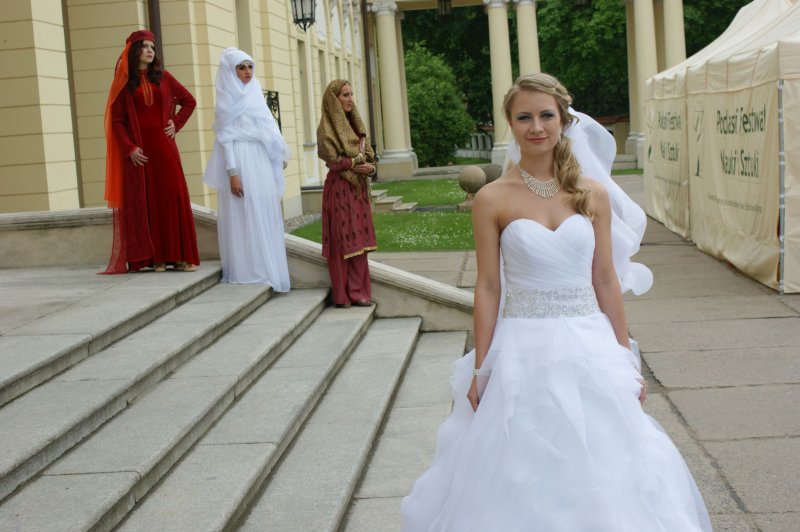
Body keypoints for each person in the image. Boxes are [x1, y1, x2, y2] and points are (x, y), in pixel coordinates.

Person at [401, 73, 711, 531]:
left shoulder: (591, 193)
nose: (536, 127)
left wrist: (625, 357)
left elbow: (604, 279)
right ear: (510, 123)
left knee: (606, 461)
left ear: (564, 121)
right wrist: (482, 367)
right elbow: (488, 287)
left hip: (589, 343)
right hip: (521, 348)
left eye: (546, 115)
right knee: (520, 464)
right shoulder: (491, 198)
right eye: (523, 117)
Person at [103, 30, 200, 274]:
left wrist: (175, 124)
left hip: (165, 148)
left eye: (152, 47)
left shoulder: (163, 77)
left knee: (172, 197)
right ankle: (156, 259)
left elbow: (189, 101)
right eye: (145, 46)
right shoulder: (124, 83)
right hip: (140, 154)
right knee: (149, 202)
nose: (150, 51)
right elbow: (117, 122)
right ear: (134, 50)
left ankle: (179, 256)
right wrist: (130, 148)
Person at [203, 48, 291, 289]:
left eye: (250, 66)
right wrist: (233, 173)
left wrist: (276, 152)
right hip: (240, 160)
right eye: (241, 68)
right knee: (243, 214)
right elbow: (226, 139)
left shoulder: (255, 94)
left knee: (262, 208)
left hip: (260, 160)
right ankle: (247, 270)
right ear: (231, 71)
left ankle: (266, 267)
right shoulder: (225, 100)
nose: (247, 72)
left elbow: (268, 128)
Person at [317, 80, 377, 308]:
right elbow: (333, 161)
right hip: (339, 189)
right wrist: (355, 161)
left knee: (360, 240)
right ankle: (342, 295)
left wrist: (370, 168)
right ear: (334, 100)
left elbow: (370, 157)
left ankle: (358, 292)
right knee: (342, 241)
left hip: (358, 189)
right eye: (345, 95)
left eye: (351, 94)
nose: (350, 99)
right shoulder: (327, 129)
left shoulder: (356, 125)